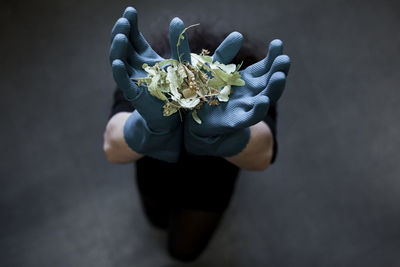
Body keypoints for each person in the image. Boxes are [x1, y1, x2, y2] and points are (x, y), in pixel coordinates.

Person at [103, 7, 290, 262]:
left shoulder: (246, 94)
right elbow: (112, 146)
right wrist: (150, 128)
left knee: (184, 251)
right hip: (154, 173)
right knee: (156, 219)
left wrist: (224, 136)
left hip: (210, 185)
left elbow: (263, 154)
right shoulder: (144, 83)